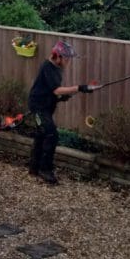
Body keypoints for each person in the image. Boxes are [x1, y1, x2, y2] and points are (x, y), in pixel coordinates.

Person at [28, 40, 101, 184]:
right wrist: (79, 88)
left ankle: (34, 168)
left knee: (41, 135)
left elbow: (54, 92)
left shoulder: (56, 68)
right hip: (38, 107)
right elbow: (56, 89)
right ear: (57, 56)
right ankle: (45, 170)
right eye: (66, 58)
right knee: (51, 134)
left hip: (47, 107)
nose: (68, 61)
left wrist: (66, 95)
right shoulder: (47, 67)